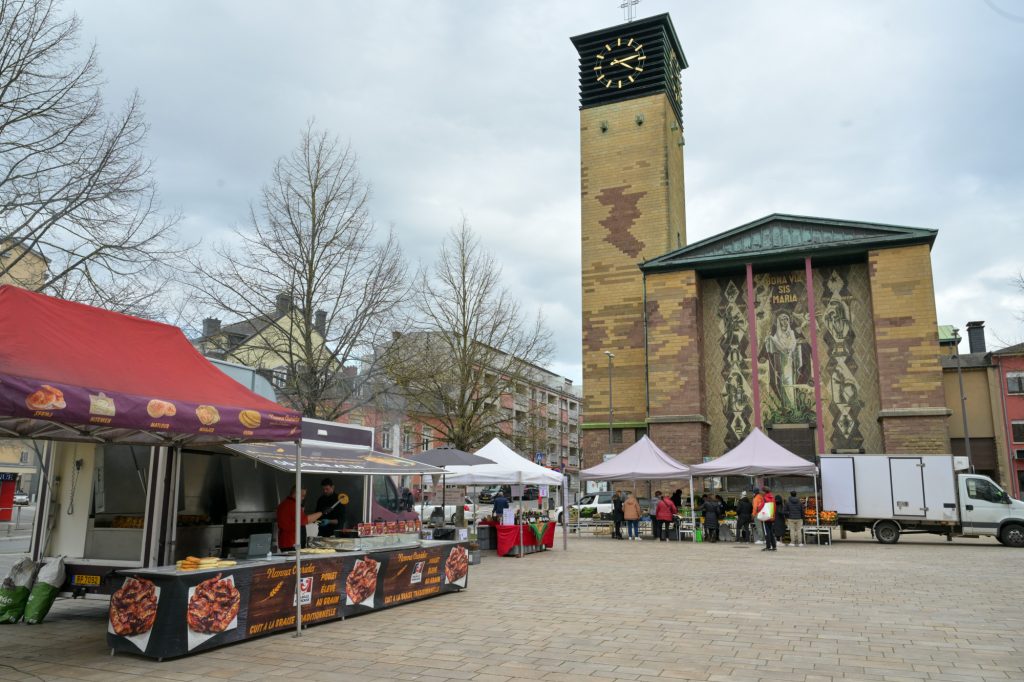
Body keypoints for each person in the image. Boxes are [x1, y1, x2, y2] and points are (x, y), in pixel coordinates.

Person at [276, 486, 322, 551]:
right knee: (296, 561)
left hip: (284, 542)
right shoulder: (294, 505)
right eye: (302, 495)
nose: (303, 498)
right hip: (292, 542)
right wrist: (321, 513)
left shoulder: (283, 504)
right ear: (296, 494)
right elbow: (304, 521)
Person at [760, 487, 777, 552]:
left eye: (762, 491)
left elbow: (760, 507)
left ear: (764, 492)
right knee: (771, 532)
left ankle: (768, 546)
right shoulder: (772, 498)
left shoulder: (764, 498)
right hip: (771, 516)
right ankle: (774, 546)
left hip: (765, 518)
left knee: (767, 532)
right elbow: (774, 507)